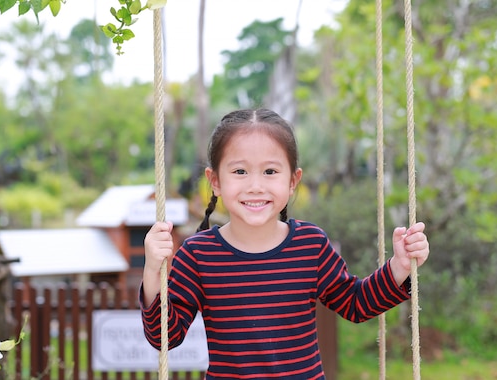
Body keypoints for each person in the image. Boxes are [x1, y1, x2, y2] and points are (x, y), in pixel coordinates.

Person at [140, 108, 430, 379]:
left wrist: (398, 267)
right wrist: (152, 272)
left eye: (270, 172)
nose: (255, 186)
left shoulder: (310, 245)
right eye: (240, 171)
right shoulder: (198, 254)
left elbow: (355, 304)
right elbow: (165, 337)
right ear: (215, 181)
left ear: (293, 181)